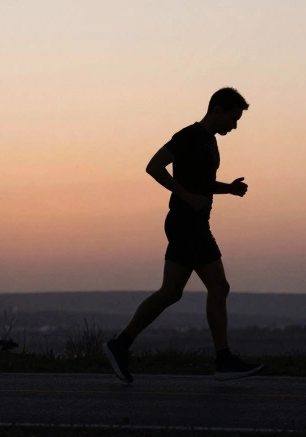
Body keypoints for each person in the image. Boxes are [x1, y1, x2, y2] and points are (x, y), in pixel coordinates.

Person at [103, 87, 263, 383]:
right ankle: (223, 359)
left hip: (194, 223)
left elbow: (201, 182)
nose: (235, 125)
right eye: (233, 118)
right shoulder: (188, 136)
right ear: (217, 110)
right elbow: (154, 166)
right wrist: (188, 197)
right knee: (218, 286)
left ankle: (120, 344)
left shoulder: (210, 143)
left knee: (172, 292)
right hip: (186, 222)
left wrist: (227, 188)